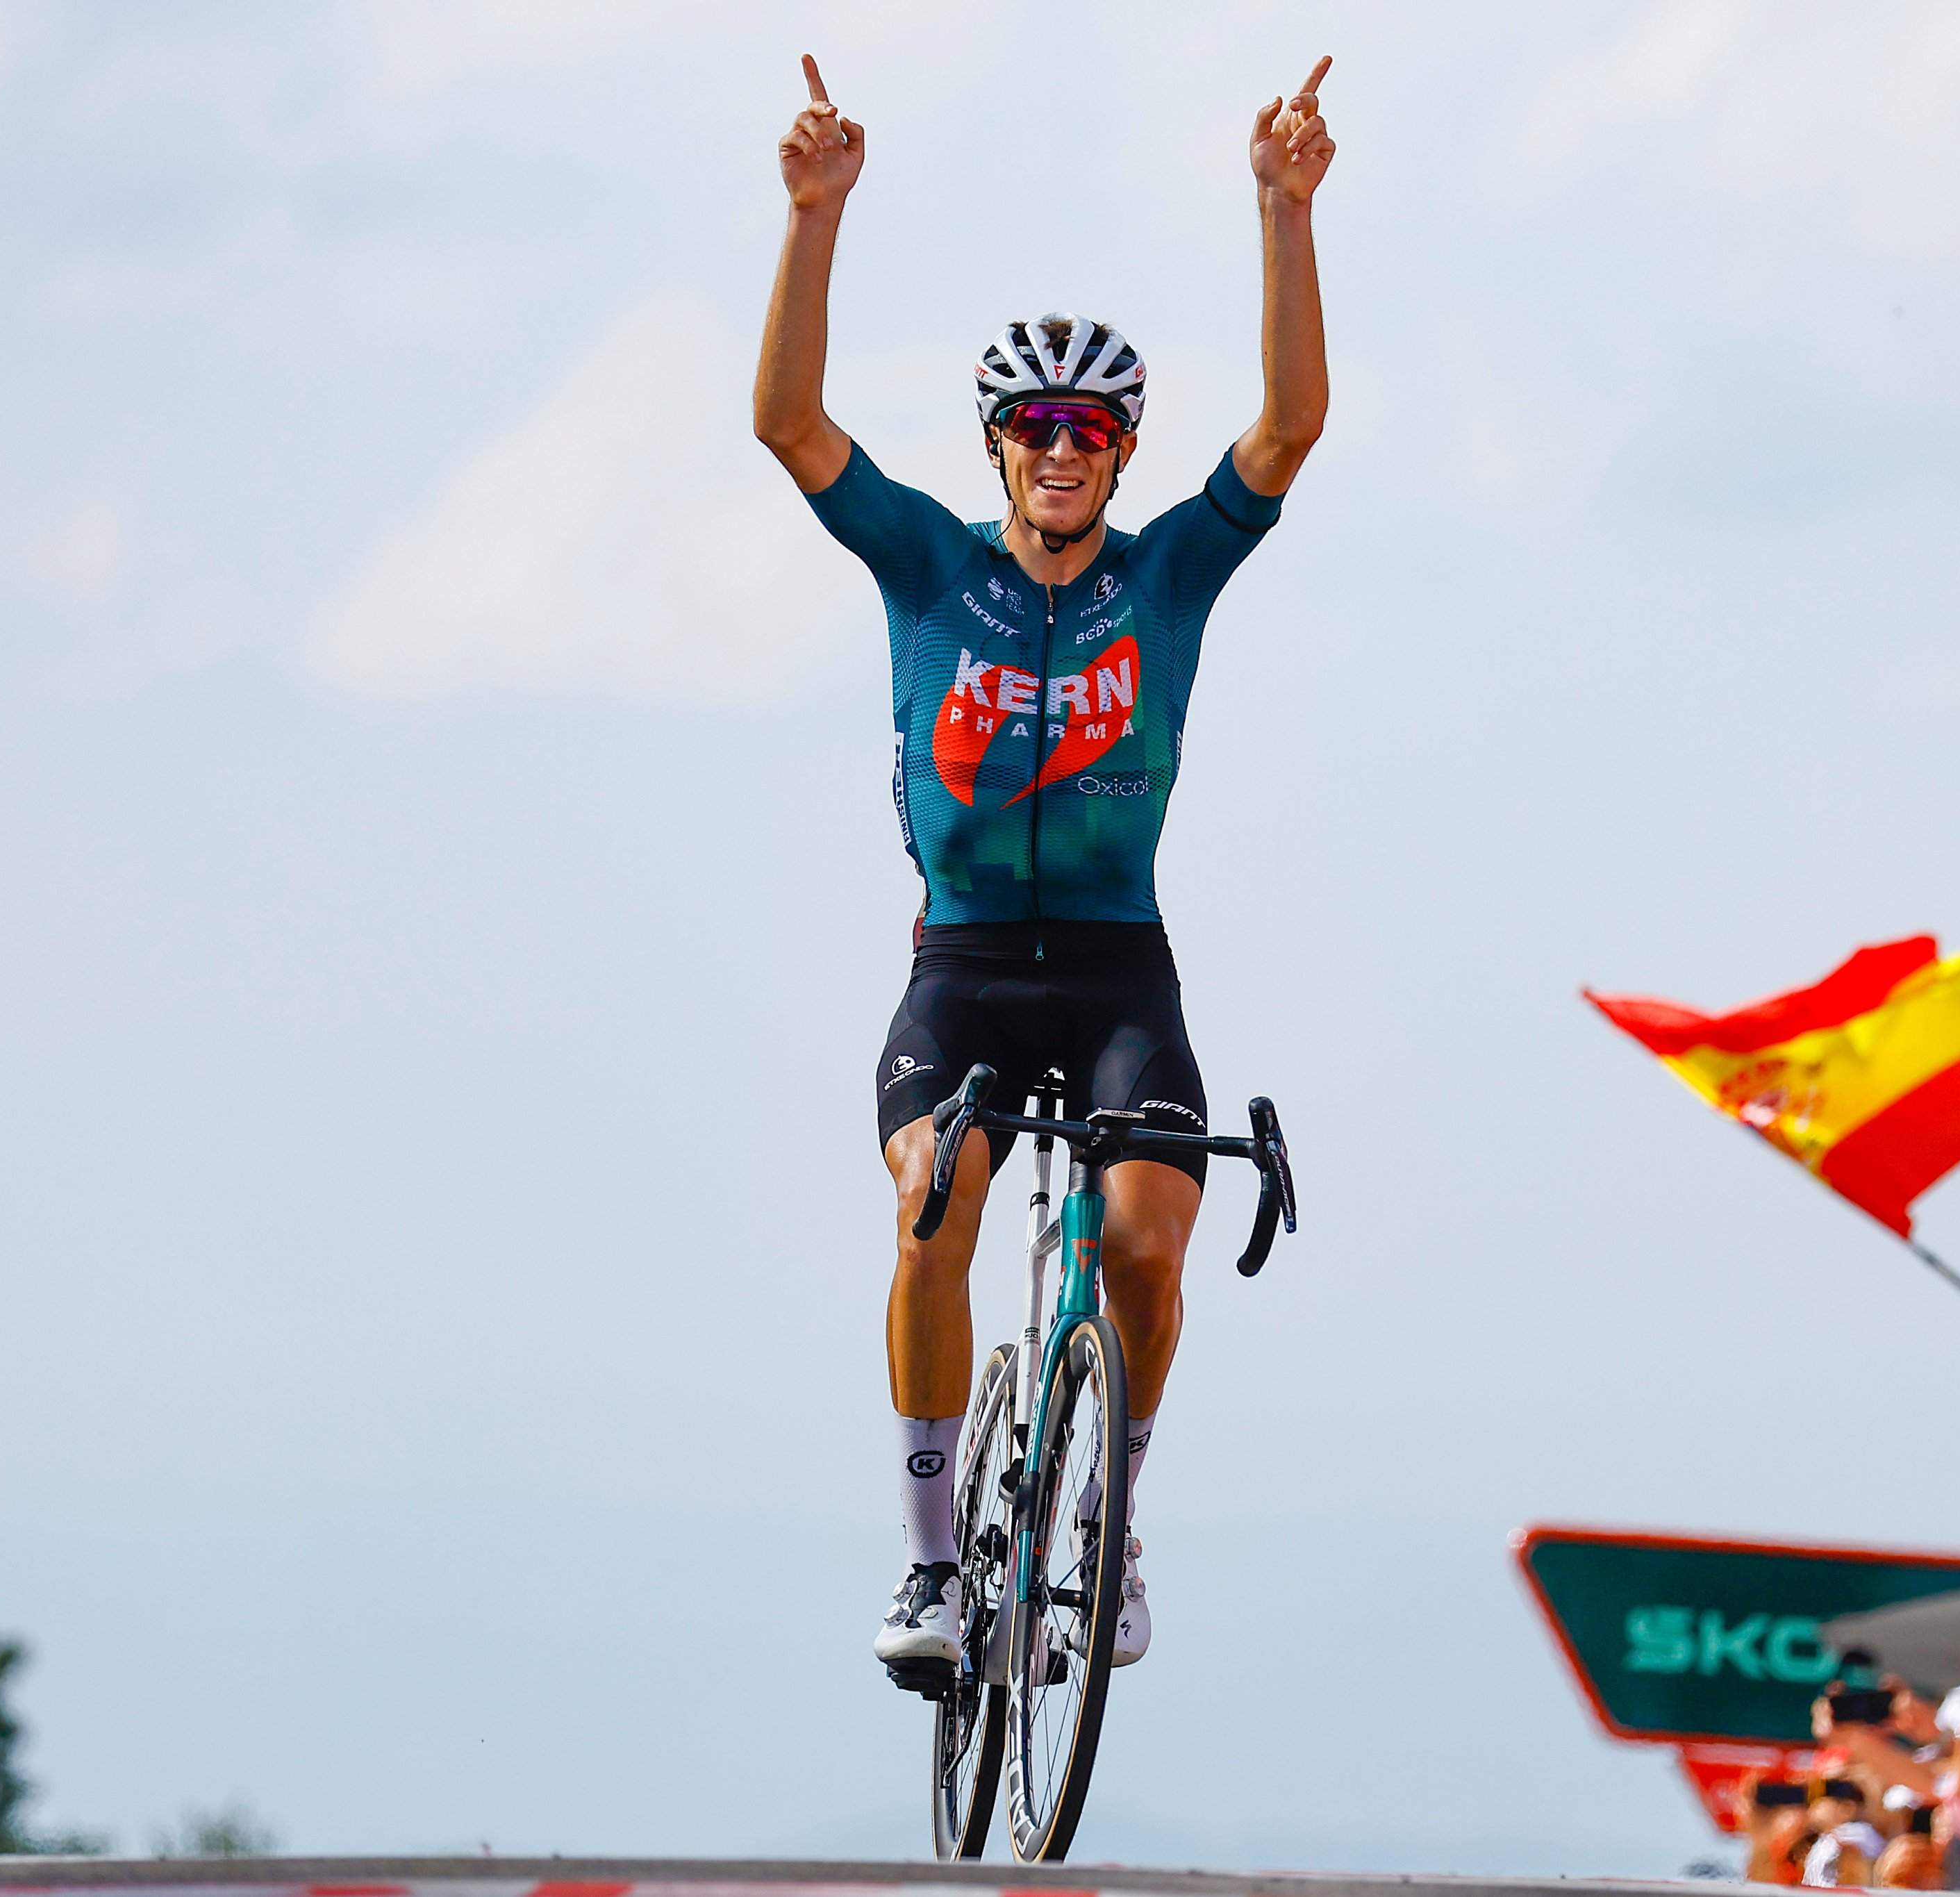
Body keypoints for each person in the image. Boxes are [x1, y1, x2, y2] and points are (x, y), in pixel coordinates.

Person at [751, 51, 1336, 1684]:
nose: (1062, 448)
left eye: (1091, 427)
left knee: (1147, 1241)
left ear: (1125, 449)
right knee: (933, 1209)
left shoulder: (1170, 577)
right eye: (1034, 425)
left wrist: (1282, 211)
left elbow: (1290, 424)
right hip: (957, 970)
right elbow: (788, 423)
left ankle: (1114, 1522)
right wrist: (816, 217)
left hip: (1116, 974)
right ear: (999, 446)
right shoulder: (927, 563)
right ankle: (936, 1566)